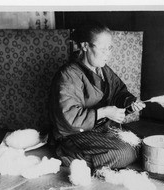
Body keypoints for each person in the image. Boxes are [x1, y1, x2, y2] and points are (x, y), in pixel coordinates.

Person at [48, 21, 145, 171]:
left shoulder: (103, 70)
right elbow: (69, 117)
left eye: (110, 48)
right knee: (125, 153)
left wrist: (130, 102)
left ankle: (98, 152)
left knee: (140, 144)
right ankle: (69, 155)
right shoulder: (68, 74)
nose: (108, 53)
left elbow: (119, 91)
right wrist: (104, 112)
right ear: (85, 46)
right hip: (74, 134)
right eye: (103, 49)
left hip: (101, 127)